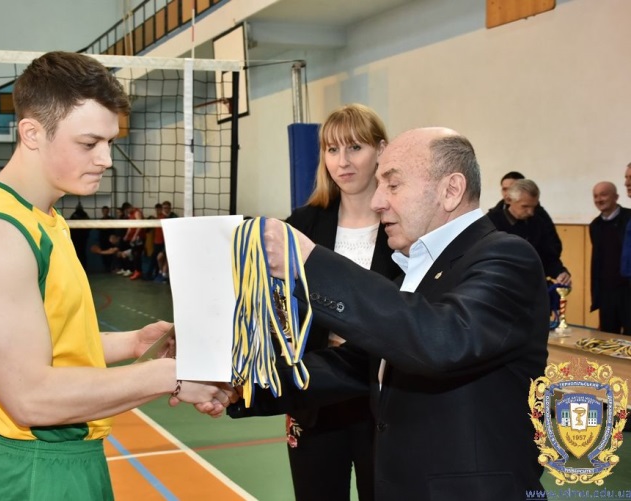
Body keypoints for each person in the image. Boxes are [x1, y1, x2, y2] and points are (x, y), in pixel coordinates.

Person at [0, 51, 236, 500]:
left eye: (110, 142)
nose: (106, 159)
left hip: (71, 462)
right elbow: (30, 397)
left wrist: (134, 343)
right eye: (89, 143)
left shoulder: (43, 219)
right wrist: (171, 375)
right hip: (36, 475)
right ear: (32, 133)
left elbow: (48, 342)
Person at [232, 127, 549, 500]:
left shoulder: (506, 256)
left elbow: (441, 340)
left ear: (451, 190)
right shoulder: (415, 273)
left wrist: (309, 262)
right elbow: (351, 366)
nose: (377, 201)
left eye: (393, 185)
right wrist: (235, 383)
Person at [277, 103, 399, 501]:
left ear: (381, 150)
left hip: (384, 401)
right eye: (332, 149)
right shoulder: (302, 224)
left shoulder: (404, 226)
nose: (342, 161)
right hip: (315, 399)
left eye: (355, 147)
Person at [487, 179, 571, 286]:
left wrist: (560, 272)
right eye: (525, 206)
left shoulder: (538, 223)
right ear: (508, 200)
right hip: (499, 286)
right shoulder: (490, 223)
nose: (531, 212)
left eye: (534, 207)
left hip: (531, 286)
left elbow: (548, 257)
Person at [589, 182, 631, 334]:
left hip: (628, 290)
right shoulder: (595, 225)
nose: (599, 199)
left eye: (604, 195)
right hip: (606, 292)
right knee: (607, 338)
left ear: (616, 197)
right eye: (595, 196)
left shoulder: (629, 218)